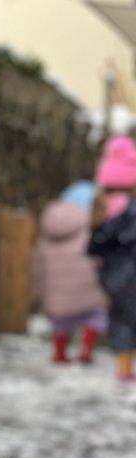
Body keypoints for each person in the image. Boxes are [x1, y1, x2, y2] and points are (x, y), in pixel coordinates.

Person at [31, 181, 107, 364]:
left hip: (56, 295)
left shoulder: (47, 231)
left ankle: (59, 353)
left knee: (60, 323)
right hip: (87, 292)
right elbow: (99, 259)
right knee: (96, 317)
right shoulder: (89, 231)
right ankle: (87, 349)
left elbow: (38, 265)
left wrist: (40, 290)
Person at [88, 135, 136, 382]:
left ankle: (124, 367)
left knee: (120, 320)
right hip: (128, 273)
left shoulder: (102, 209)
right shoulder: (129, 211)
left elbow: (93, 245)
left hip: (111, 275)